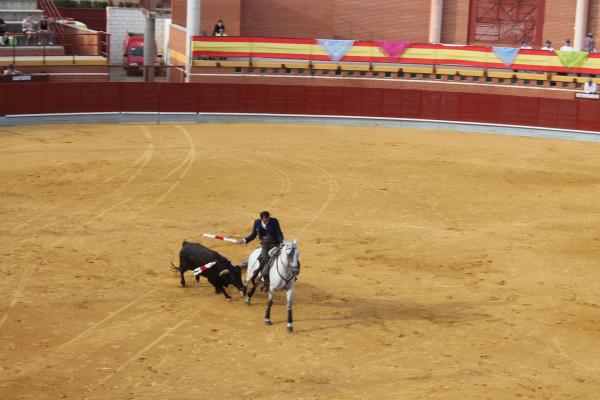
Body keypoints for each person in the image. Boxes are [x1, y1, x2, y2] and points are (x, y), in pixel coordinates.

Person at [239, 211, 284, 285]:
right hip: (265, 245)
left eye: (268, 220)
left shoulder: (274, 221)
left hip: (275, 243)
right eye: (265, 221)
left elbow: (279, 233)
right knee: (264, 259)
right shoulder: (257, 223)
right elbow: (253, 235)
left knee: (286, 256)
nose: (267, 222)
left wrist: (281, 242)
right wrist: (244, 240)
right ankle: (265, 278)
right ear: (261, 219)